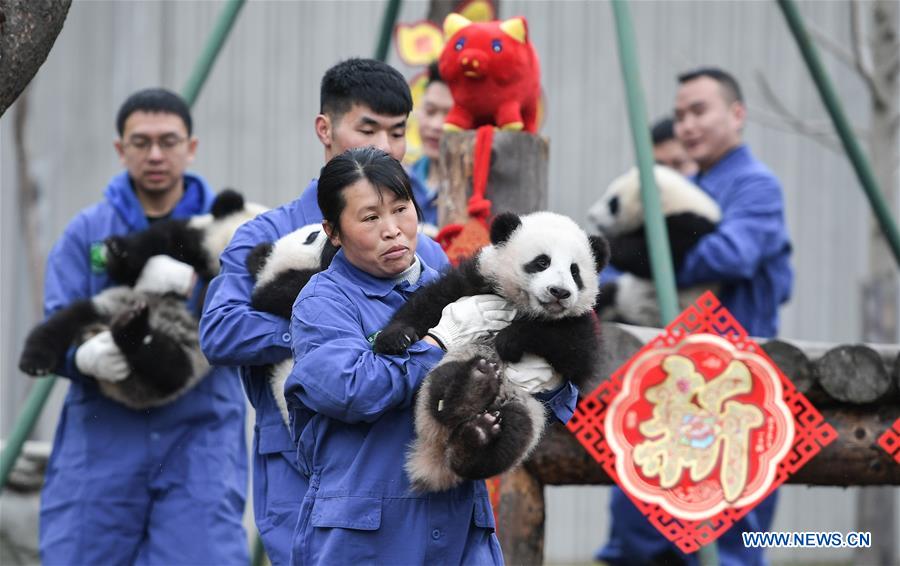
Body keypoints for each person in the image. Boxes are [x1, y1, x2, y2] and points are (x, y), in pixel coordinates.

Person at [200, 58, 450, 565]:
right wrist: (331, 343)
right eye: (367, 128)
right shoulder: (267, 235)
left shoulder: (424, 248)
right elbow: (221, 331)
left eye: (397, 132)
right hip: (303, 465)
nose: (384, 147)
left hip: (409, 460)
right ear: (325, 128)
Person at [285, 147, 577, 564]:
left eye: (401, 209)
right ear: (333, 231)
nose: (393, 230)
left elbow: (540, 398)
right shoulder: (322, 303)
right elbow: (350, 390)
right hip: (365, 534)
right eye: (370, 217)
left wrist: (550, 381)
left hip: (459, 526)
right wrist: (437, 345)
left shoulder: (451, 283)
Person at [38, 88, 248, 565]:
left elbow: (253, 323)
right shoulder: (88, 233)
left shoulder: (229, 230)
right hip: (102, 443)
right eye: (141, 141)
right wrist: (81, 356)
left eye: (169, 141)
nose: (155, 154)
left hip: (200, 437)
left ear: (191, 147)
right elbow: (58, 323)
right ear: (120, 149)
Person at [597, 68, 793, 566]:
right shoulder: (689, 184)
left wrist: (646, 251)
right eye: (680, 114)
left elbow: (730, 256)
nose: (686, 125)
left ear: (737, 113)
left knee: (728, 531)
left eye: (699, 111)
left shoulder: (755, 185)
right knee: (642, 524)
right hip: (673, 375)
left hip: (734, 379)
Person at [410, 61, 454, 228]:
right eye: (430, 111)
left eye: (450, 117)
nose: (436, 125)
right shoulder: (401, 180)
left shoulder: (480, 192)